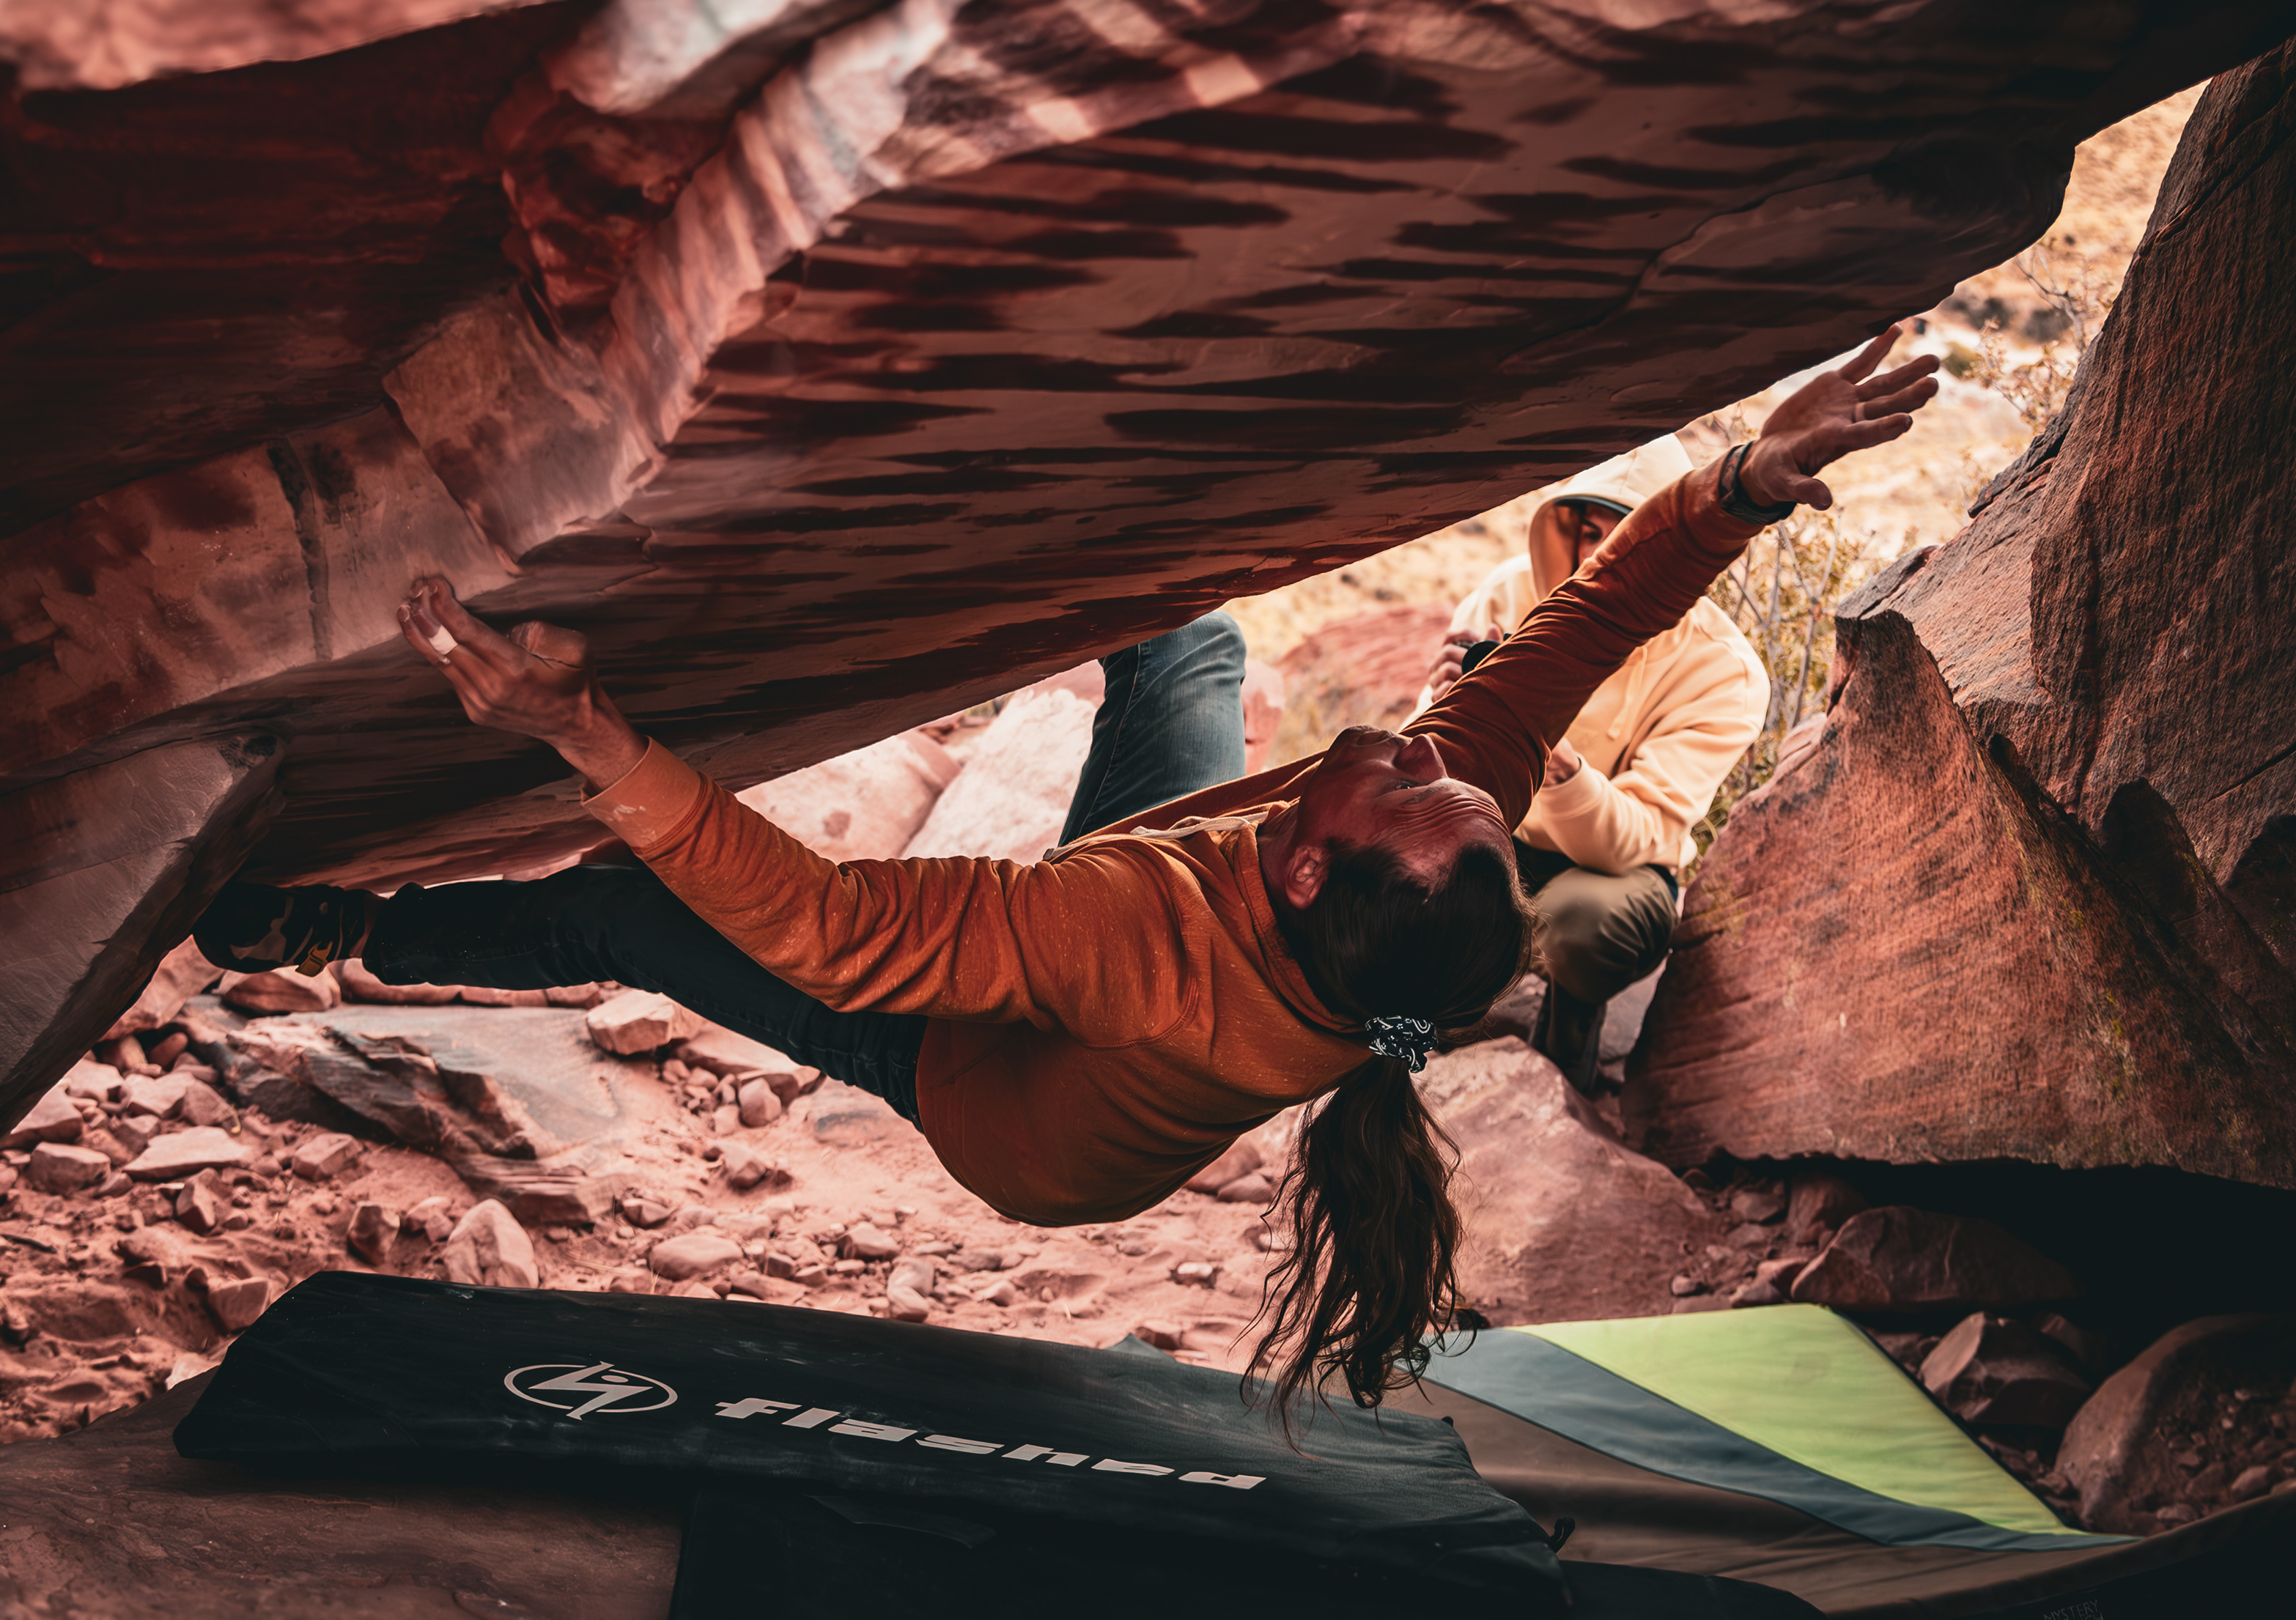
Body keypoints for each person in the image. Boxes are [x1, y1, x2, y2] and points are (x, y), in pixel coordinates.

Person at [196, 333, 1937, 1420]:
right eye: (1446, 780)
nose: (1429, 747)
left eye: (1408, 776)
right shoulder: (1420, 851)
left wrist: (586, 721)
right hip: (1146, 905)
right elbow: (1582, 623)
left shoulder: (1117, 947)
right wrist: (1739, 482)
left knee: (632, 908)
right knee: (1184, 639)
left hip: (987, 1097)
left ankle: (351, 932)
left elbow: (831, 928)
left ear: (1306, 867)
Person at [1418, 436, 1769, 1089]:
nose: (1602, 556)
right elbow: (1427, 779)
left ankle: (1564, 1072)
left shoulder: (1724, 669)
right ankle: (1404, 1058)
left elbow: (1638, 834)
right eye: (1589, 532)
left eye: (1630, 536)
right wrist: (1448, 714)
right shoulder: (1510, 593)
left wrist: (1558, 763)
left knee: (1581, 929)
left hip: (1615, 867)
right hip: (1498, 833)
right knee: (1402, 885)